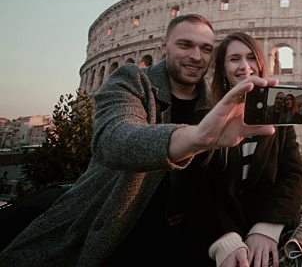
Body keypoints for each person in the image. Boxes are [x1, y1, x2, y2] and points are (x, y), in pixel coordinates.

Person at [0, 15, 279, 265]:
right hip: (112, 221)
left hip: (185, 232)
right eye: (185, 45)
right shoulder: (132, 80)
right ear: (163, 46)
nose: (196, 56)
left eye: (206, 49)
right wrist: (194, 138)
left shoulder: (216, 103)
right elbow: (115, 138)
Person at [172, 32, 302, 267]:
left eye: (251, 57)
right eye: (234, 59)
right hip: (213, 242)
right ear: (223, 69)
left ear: (262, 63)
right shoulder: (204, 116)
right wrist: (224, 237)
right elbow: (193, 186)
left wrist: (267, 227)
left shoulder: (279, 117)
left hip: (267, 242)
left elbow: (292, 175)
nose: (245, 66)